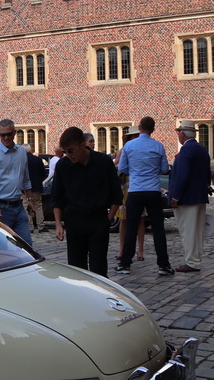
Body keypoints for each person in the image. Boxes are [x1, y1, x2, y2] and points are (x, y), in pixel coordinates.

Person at [52, 127, 123, 276]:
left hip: (98, 220)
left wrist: (109, 219)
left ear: (82, 145)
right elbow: (57, 197)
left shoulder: (103, 162)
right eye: (65, 152)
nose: (68, 155)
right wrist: (58, 224)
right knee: (77, 270)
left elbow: (116, 194)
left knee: (99, 269)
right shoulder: (63, 166)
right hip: (74, 221)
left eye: (71, 151)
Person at [115, 117, 173, 277]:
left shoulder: (129, 145)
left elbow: (123, 167)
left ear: (139, 127)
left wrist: (136, 170)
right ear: (153, 129)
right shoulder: (158, 146)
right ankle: (163, 264)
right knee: (158, 229)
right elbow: (163, 168)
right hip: (153, 190)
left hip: (135, 190)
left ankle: (125, 263)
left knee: (131, 228)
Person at [169, 121, 212, 274]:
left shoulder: (186, 150)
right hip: (199, 195)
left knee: (188, 231)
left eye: (179, 133)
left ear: (182, 134)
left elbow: (182, 175)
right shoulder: (202, 149)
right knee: (197, 231)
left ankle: (192, 262)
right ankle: (195, 259)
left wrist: (175, 196)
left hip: (187, 198)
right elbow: (208, 173)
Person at [0, 119, 33, 246]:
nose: (6, 137)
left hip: (18, 205)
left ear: (14, 133)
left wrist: (30, 198)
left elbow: (25, 177)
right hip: (1, 208)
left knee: (26, 247)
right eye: (2, 135)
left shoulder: (21, 151)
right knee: (2, 248)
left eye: (9, 134)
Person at [114, 128, 145, 262]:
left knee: (140, 219)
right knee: (124, 219)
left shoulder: (143, 149)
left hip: (139, 185)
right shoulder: (125, 148)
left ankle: (140, 249)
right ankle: (122, 248)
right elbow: (117, 166)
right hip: (126, 186)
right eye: (134, 136)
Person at [24, 144, 47, 232]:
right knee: (38, 206)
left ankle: (30, 227)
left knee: (26, 206)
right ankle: (41, 226)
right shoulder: (37, 159)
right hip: (36, 187)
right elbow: (43, 174)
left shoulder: (22, 160)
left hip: (25, 188)